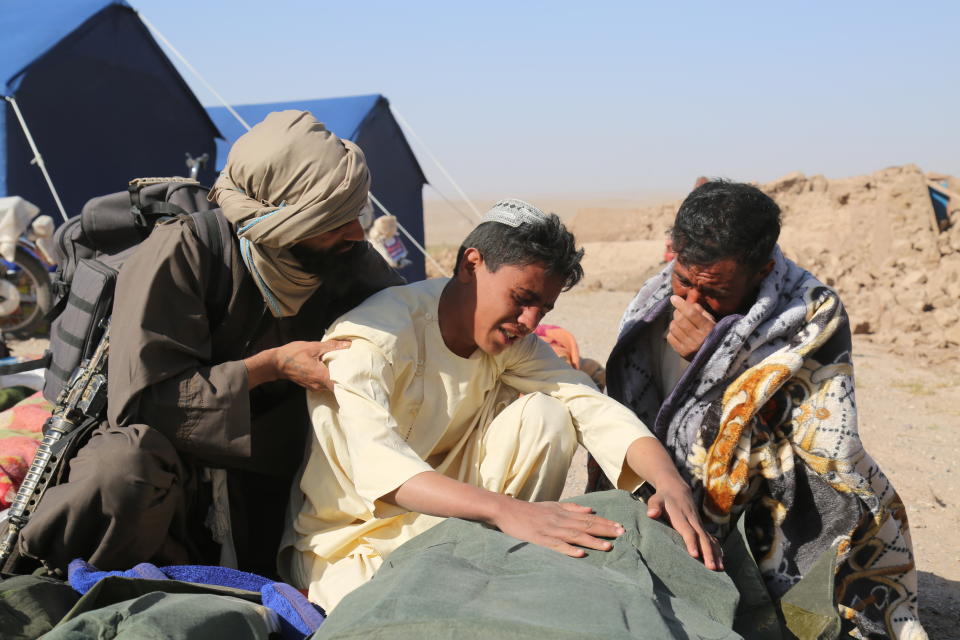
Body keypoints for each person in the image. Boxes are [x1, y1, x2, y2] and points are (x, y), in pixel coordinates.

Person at [280, 199, 721, 612]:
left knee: (548, 417)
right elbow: (383, 470)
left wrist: (669, 481)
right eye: (523, 299)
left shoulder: (508, 338)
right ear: (471, 264)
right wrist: (510, 511)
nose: (531, 322)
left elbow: (590, 404)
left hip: (454, 524)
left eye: (543, 308)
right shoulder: (373, 337)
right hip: (355, 543)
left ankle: (502, 560)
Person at [18, 110, 404, 578]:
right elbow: (144, 404)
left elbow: (408, 323)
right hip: (169, 478)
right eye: (333, 220)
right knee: (123, 468)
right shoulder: (183, 251)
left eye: (354, 215)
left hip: (275, 471)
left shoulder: (347, 260)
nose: (356, 234)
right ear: (278, 222)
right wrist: (270, 366)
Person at [597, 181, 925, 639]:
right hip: (663, 485)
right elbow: (623, 409)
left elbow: (821, 442)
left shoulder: (811, 312)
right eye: (684, 281)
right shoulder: (653, 300)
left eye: (714, 290)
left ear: (761, 271)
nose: (690, 302)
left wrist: (712, 359)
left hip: (765, 500)